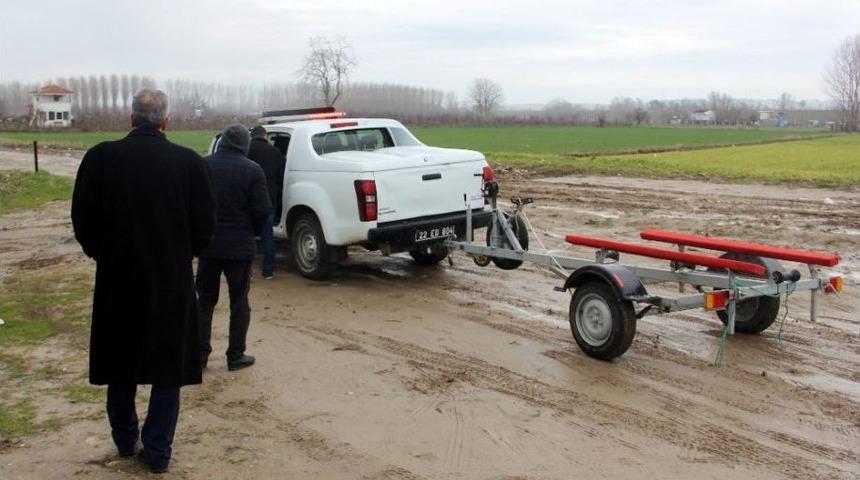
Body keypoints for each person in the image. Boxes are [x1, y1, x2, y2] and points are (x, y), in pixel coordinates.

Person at [71, 89, 216, 474]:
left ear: (130, 118)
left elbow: (82, 220)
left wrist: (104, 252)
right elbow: (205, 228)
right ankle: (157, 452)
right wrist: (179, 253)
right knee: (167, 369)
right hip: (170, 282)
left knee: (121, 362)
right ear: (165, 121)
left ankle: (124, 440)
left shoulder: (101, 158)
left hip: (117, 280)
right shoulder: (188, 163)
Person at [196, 124, 271, 372]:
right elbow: (262, 210)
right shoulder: (253, 170)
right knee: (239, 301)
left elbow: (193, 204)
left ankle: (199, 355)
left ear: (223, 142)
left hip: (208, 245)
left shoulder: (204, 166)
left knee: (205, 301)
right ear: (244, 145)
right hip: (240, 247)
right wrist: (254, 232)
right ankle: (235, 355)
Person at [247, 125, 286, 279]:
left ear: (252, 135)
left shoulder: (246, 150)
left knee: (248, 235)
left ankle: (247, 271)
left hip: (249, 198)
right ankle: (268, 272)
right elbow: (280, 176)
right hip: (269, 198)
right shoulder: (276, 152)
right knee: (267, 236)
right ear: (265, 136)